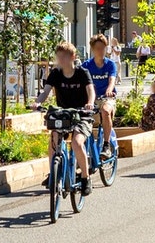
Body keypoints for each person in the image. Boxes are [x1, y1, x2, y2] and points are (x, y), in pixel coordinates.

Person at [35, 41, 94, 195]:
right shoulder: (55, 74)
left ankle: (85, 178)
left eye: (64, 57)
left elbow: (90, 91)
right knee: (54, 138)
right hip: (63, 114)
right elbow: (45, 92)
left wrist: (90, 103)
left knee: (76, 142)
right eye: (59, 57)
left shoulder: (82, 72)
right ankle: (52, 174)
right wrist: (37, 102)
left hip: (81, 114)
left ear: (73, 57)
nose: (61, 60)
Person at [82, 34, 119, 151]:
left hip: (106, 98)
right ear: (92, 49)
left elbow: (112, 79)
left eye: (103, 48)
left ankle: (106, 144)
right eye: (98, 48)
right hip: (91, 99)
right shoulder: (86, 65)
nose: (101, 51)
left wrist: (109, 90)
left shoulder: (110, 64)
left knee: (105, 111)